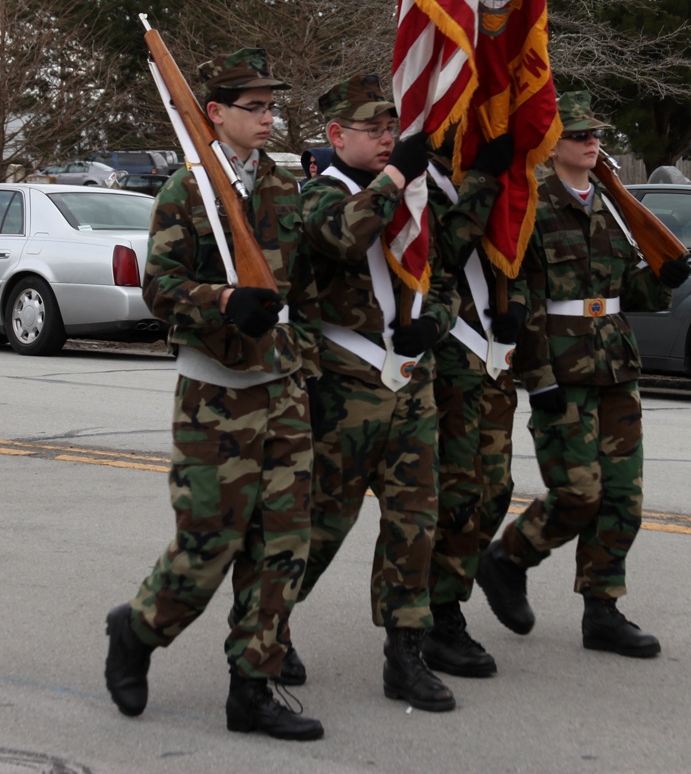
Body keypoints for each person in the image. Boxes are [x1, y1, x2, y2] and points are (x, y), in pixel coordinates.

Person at [103, 48, 324, 742]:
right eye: (252, 107)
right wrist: (223, 300)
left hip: (283, 387)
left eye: (271, 106)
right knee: (209, 543)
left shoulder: (284, 189)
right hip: (217, 394)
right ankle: (137, 629)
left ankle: (251, 690)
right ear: (215, 115)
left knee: (282, 545)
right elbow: (159, 288)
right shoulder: (185, 193)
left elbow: (305, 291)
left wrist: (311, 368)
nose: (267, 117)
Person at [477, 91, 691, 658]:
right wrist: (537, 376)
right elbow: (521, 297)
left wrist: (666, 276)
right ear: (553, 145)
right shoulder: (533, 206)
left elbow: (625, 292)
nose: (591, 141)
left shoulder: (613, 204)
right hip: (562, 367)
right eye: (578, 134)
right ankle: (508, 557)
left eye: (595, 133)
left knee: (623, 497)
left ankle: (602, 610)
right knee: (578, 493)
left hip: (616, 364)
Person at [283, 74, 460, 712]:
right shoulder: (317, 196)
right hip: (345, 386)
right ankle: (270, 623)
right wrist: (393, 180)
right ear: (336, 136)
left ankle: (405, 654)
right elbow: (341, 237)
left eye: (393, 128)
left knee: (415, 523)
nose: (388, 139)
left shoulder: (411, 204)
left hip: (410, 385)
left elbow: (444, 278)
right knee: (325, 522)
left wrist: (432, 326)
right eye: (373, 129)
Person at [423, 131, 527, 678]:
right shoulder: (423, 188)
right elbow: (444, 251)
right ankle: (438, 615)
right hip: (448, 360)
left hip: (491, 358)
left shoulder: (490, 187)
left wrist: (519, 314)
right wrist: (484, 180)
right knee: (458, 492)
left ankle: (446, 592)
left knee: (495, 489)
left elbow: (511, 261)